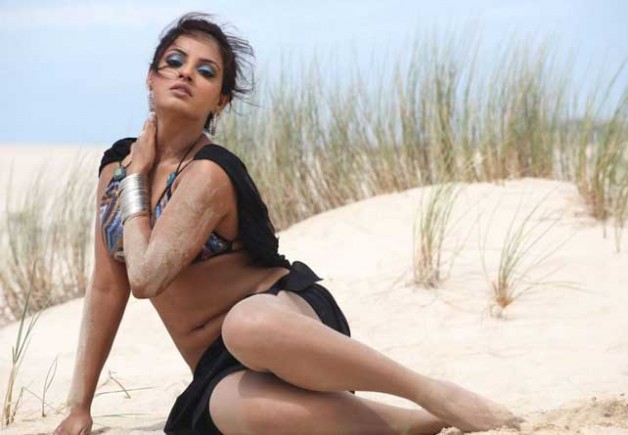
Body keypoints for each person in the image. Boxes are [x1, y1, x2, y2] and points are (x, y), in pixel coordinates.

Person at [54, 12, 522, 435]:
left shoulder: (207, 174)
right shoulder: (114, 173)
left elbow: (145, 278)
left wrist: (138, 181)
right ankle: (416, 424)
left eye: (206, 71)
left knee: (246, 324)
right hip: (220, 367)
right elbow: (108, 288)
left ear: (220, 101)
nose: (186, 73)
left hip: (285, 322)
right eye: (174, 61)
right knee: (225, 410)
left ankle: (430, 392)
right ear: (151, 77)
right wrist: (80, 406)